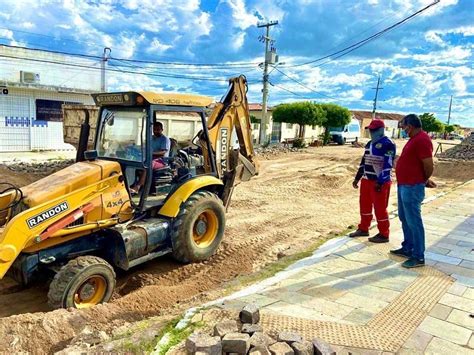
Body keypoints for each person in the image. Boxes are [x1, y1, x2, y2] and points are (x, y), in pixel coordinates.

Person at [390, 114, 435, 268]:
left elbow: (429, 165)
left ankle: (418, 255)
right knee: (404, 218)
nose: (403, 130)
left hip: (412, 186)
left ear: (410, 125)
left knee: (414, 221)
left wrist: (422, 180)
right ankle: (408, 247)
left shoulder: (422, 139)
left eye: (404, 127)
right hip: (404, 184)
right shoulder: (414, 139)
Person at [349, 119, 396, 243]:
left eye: (373, 130)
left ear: (381, 130)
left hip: (380, 181)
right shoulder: (369, 143)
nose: (371, 132)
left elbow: (388, 164)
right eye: (370, 130)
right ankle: (364, 228)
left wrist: (381, 182)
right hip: (366, 180)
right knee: (364, 205)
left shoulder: (388, 144)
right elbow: (364, 162)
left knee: (380, 208)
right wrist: (357, 178)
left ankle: (384, 233)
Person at [131, 121, 170, 193]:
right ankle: (132, 183)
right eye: (154, 129)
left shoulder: (164, 139)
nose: (156, 131)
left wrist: (151, 153)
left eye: (158, 130)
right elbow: (145, 148)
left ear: (162, 129)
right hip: (150, 158)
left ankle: (138, 186)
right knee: (135, 162)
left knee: (148, 165)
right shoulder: (151, 138)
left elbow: (163, 152)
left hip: (161, 161)